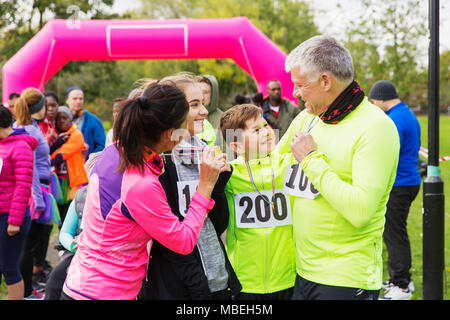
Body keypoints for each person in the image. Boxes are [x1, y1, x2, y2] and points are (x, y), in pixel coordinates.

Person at [61, 83, 226, 300]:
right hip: (104, 293)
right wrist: (205, 187)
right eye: (183, 126)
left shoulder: (115, 149)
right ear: (170, 134)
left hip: (80, 282)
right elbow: (184, 241)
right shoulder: (141, 185)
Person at [277, 35, 400, 300]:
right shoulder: (308, 117)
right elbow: (274, 167)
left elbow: (360, 210)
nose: (294, 93)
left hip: (345, 277)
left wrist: (311, 161)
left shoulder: (376, 128)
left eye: (299, 85)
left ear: (325, 81)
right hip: (301, 270)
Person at [138, 74, 241, 300]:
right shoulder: (159, 162)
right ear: (171, 110)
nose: (205, 111)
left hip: (217, 278)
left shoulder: (204, 151)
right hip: (181, 287)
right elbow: (168, 239)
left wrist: (218, 186)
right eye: (195, 105)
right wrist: (199, 288)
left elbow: (216, 224)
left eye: (203, 103)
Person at [219, 104, 296, 300]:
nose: (266, 133)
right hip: (246, 282)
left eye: (265, 125)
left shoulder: (288, 164)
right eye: (256, 130)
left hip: (288, 277)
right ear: (236, 146)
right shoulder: (229, 175)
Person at [368, 80, 421, 300]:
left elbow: (386, 151)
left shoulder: (394, 119)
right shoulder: (405, 113)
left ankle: (401, 286)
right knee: (396, 232)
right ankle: (401, 279)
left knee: (393, 235)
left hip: (400, 183)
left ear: (381, 98)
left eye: (373, 101)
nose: (373, 105)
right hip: (408, 181)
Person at [12, 88, 56, 299]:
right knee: (28, 243)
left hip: (41, 189)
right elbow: (30, 169)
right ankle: (27, 291)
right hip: (34, 192)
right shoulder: (27, 130)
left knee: (33, 241)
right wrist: (38, 200)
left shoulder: (32, 126)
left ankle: (28, 287)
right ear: (39, 108)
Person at [44, 152, 101, 300]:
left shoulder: (122, 197)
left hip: (106, 258)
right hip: (78, 252)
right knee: (54, 283)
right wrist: (72, 244)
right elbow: (65, 233)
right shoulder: (81, 195)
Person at [0, 105, 36, 300]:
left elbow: (23, 186)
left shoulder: (20, 146)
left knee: (9, 267)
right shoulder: (2, 144)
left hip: (12, 218)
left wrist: (15, 220)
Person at [50, 106, 89, 224]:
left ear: (71, 119)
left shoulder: (76, 135)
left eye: (65, 118)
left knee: (71, 215)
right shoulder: (53, 135)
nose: (62, 121)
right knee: (60, 215)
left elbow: (61, 155)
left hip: (73, 183)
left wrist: (46, 158)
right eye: (58, 118)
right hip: (58, 181)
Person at [65, 86, 105, 160]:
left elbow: (101, 146)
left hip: (86, 165)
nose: (78, 101)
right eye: (75, 99)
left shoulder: (93, 121)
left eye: (81, 99)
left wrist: (90, 159)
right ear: (67, 100)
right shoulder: (61, 120)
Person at [196, 75, 223, 147]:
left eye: (205, 92)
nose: (201, 95)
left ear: (213, 94)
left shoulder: (224, 119)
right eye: (198, 91)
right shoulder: (189, 117)